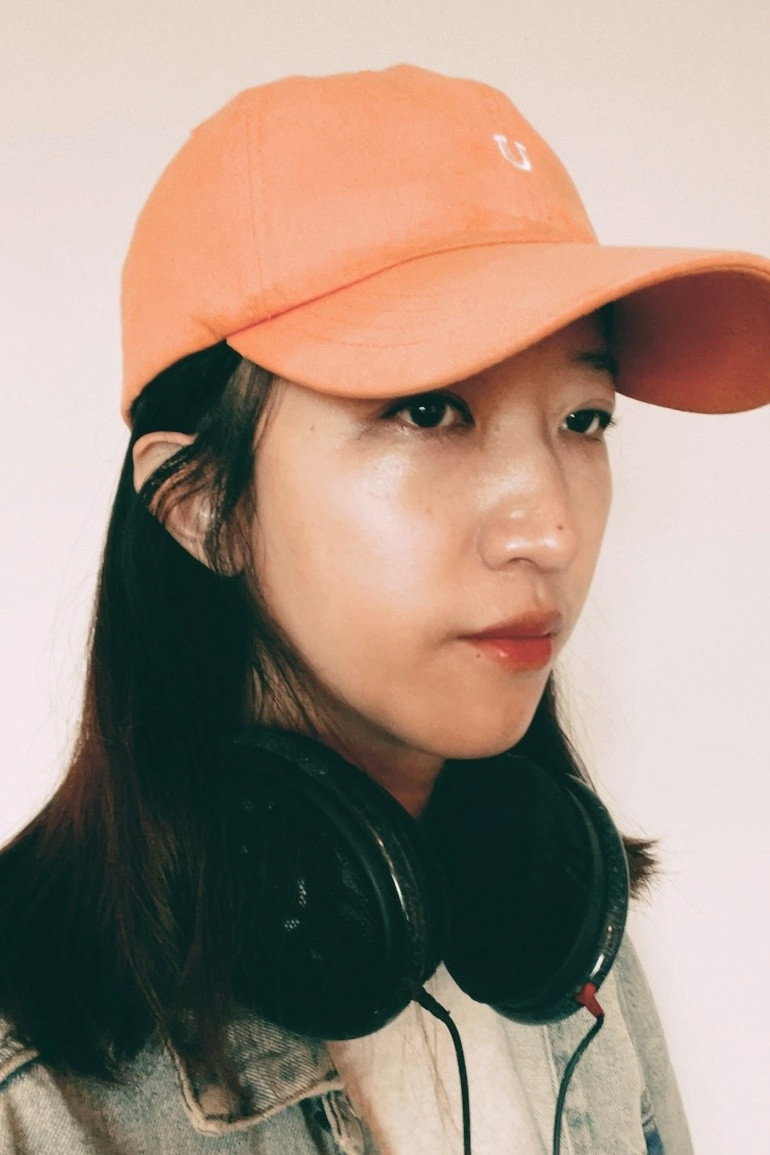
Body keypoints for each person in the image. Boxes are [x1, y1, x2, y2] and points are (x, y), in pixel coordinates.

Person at [0, 64, 769, 1155]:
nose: (549, 530)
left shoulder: (560, 947)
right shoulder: (30, 1090)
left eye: (583, 418)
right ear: (201, 504)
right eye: (429, 409)